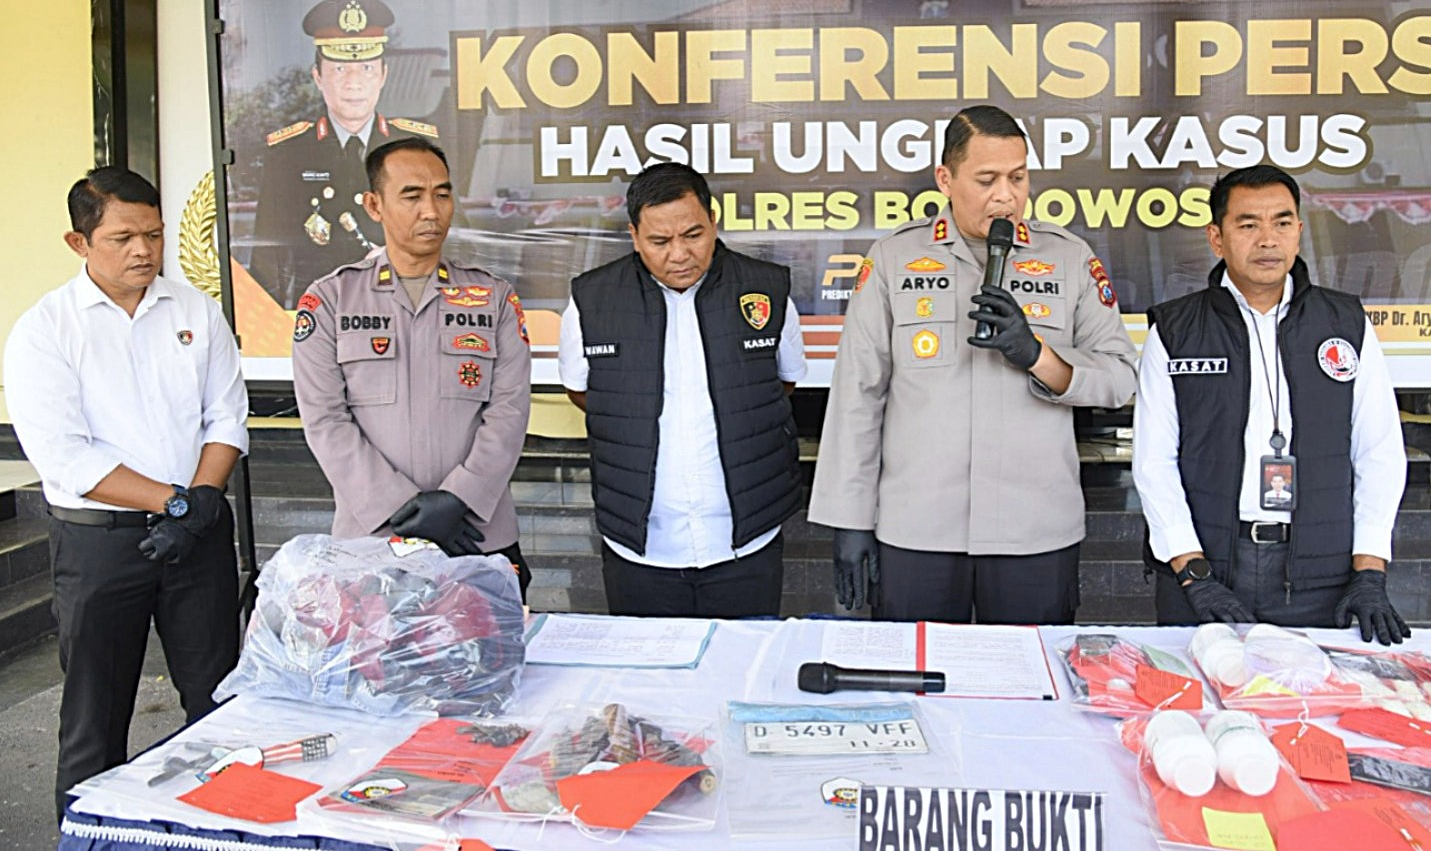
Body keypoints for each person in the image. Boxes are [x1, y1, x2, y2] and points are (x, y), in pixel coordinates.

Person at [808, 105, 1138, 623]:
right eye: (987, 180)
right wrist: (849, 519)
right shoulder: (894, 257)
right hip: (917, 529)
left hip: (1034, 530)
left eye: (1018, 177)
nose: (1006, 196)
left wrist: (1039, 356)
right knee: (916, 670)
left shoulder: (1068, 258)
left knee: (1030, 673)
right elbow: (858, 396)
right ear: (946, 178)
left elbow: (1120, 377)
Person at [3, 168, 247, 822]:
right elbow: (66, 455)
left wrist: (198, 502)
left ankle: (216, 828)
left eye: (154, 235)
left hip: (196, 537)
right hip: (101, 546)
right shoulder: (45, 330)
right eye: (122, 238)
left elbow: (225, 417)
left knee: (219, 702)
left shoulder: (195, 311)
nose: (143, 250)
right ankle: (85, 832)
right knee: (96, 714)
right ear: (78, 242)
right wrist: (174, 501)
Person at [1134, 164, 1409, 644]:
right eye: (1248, 225)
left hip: (1319, 576)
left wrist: (1369, 569)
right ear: (1216, 238)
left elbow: (1378, 452)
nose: (1267, 240)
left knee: (1311, 693)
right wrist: (1192, 570)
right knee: (1196, 690)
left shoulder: (1345, 323)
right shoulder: (1176, 330)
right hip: (1206, 572)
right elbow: (1154, 462)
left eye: (1281, 223)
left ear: (1299, 231)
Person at [557, 162, 807, 619]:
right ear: (634, 237)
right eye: (660, 241)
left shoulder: (766, 290)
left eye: (693, 235)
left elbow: (782, 383)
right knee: (647, 666)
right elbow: (583, 392)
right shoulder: (592, 300)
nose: (679, 254)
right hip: (640, 547)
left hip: (746, 542)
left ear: (713, 221)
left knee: (744, 659)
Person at [292, 137, 531, 597]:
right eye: (412, 196)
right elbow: (325, 420)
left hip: (476, 536)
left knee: (487, 646)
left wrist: (459, 498)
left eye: (442, 194)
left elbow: (510, 410)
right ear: (373, 206)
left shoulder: (493, 297)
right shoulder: (331, 300)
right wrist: (401, 507)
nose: (431, 211)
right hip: (375, 540)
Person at [249, 0, 441, 308]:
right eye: (339, 69)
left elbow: (454, 240)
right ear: (318, 77)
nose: (354, 83)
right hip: (321, 317)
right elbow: (268, 260)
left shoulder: (417, 149)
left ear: (383, 75)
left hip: (405, 312)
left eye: (366, 68)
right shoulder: (289, 154)